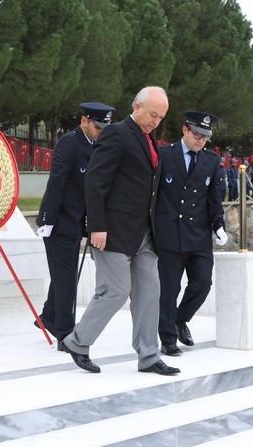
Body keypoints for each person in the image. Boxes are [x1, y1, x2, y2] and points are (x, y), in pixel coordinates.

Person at [59, 86, 180, 376]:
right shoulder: (116, 133)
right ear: (136, 107)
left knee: (151, 291)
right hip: (113, 231)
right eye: (153, 114)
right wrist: (96, 226)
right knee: (114, 291)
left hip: (144, 234)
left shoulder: (148, 140)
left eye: (161, 117)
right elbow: (96, 182)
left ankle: (149, 356)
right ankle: (77, 342)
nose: (156, 121)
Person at [35, 102, 116, 345]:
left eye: (104, 128)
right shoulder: (70, 143)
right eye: (97, 126)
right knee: (67, 280)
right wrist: (48, 220)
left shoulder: (97, 145)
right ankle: (65, 334)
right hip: (59, 223)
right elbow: (57, 181)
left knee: (64, 276)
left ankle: (49, 317)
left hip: (78, 223)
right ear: (84, 121)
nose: (101, 131)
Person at [154, 111, 228, 356]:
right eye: (197, 135)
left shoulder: (211, 161)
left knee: (202, 284)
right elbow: (151, 195)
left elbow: (214, 198)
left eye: (205, 137)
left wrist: (219, 226)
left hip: (198, 236)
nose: (200, 141)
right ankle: (167, 338)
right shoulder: (164, 155)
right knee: (169, 289)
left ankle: (179, 319)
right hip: (169, 235)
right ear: (185, 130)